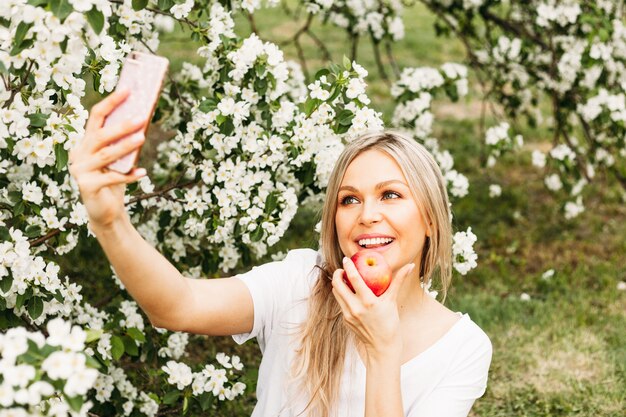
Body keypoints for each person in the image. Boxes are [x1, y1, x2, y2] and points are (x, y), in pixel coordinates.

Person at [69, 89, 493, 417]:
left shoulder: (462, 348)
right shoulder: (300, 282)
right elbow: (177, 306)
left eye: (390, 195)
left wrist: (383, 350)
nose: (367, 215)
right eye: (348, 200)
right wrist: (111, 223)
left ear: (432, 219)